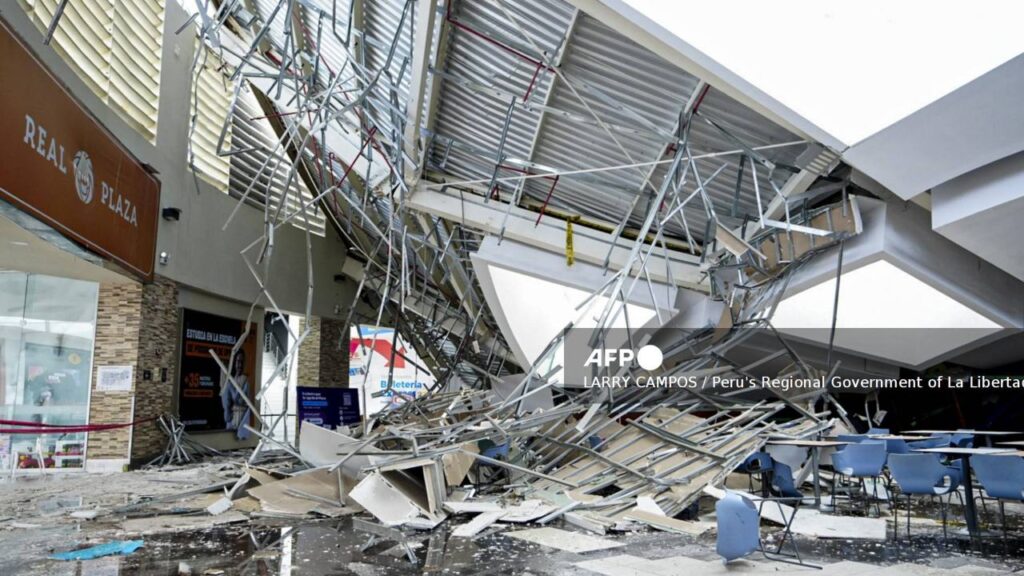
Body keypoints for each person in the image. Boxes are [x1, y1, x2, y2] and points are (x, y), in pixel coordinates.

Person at [220, 349, 251, 440]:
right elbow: (227, 400)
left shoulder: (245, 380)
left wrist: (230, 388)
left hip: (242, 418)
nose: (240, 365)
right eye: (238, 361)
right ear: (234, 363)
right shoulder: (231, 380)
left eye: (242, 362)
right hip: (232, 418)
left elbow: (240, 399)